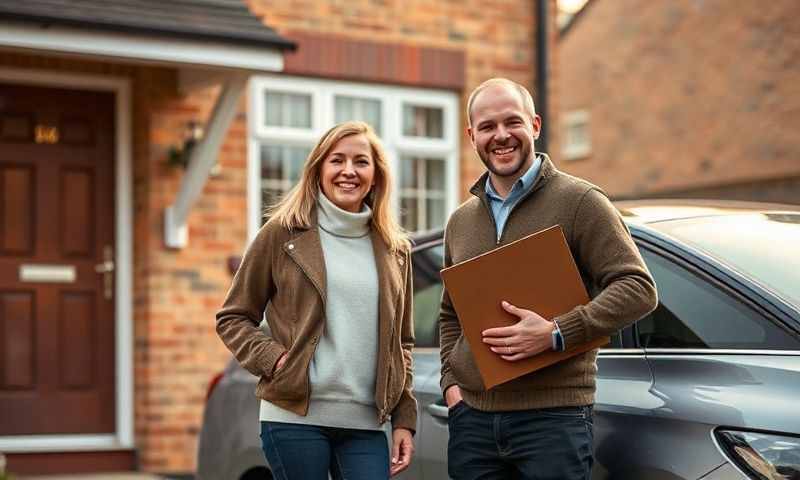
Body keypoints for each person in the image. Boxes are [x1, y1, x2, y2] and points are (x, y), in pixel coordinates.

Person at [438, 78, 658, 480]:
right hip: (474, 422)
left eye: (512, 122)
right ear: (472, 136)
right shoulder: (460, 221)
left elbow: (637, 289)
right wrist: (451, 382)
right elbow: (450, 313)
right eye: (487, 127)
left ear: (535, 125)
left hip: (553, 420)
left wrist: (557, 332)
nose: (501, 136)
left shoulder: (581, 201)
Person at [216, 121, 416, 480]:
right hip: (295, 417)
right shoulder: (282, 234)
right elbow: (233, 317)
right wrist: (274, 359)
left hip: (367, 424)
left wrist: (405, 418)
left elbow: (401, 343)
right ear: (319, 169)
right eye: (337, 160)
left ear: (376, 174)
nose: (348, 171)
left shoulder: (394, 250)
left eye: (361, 162)